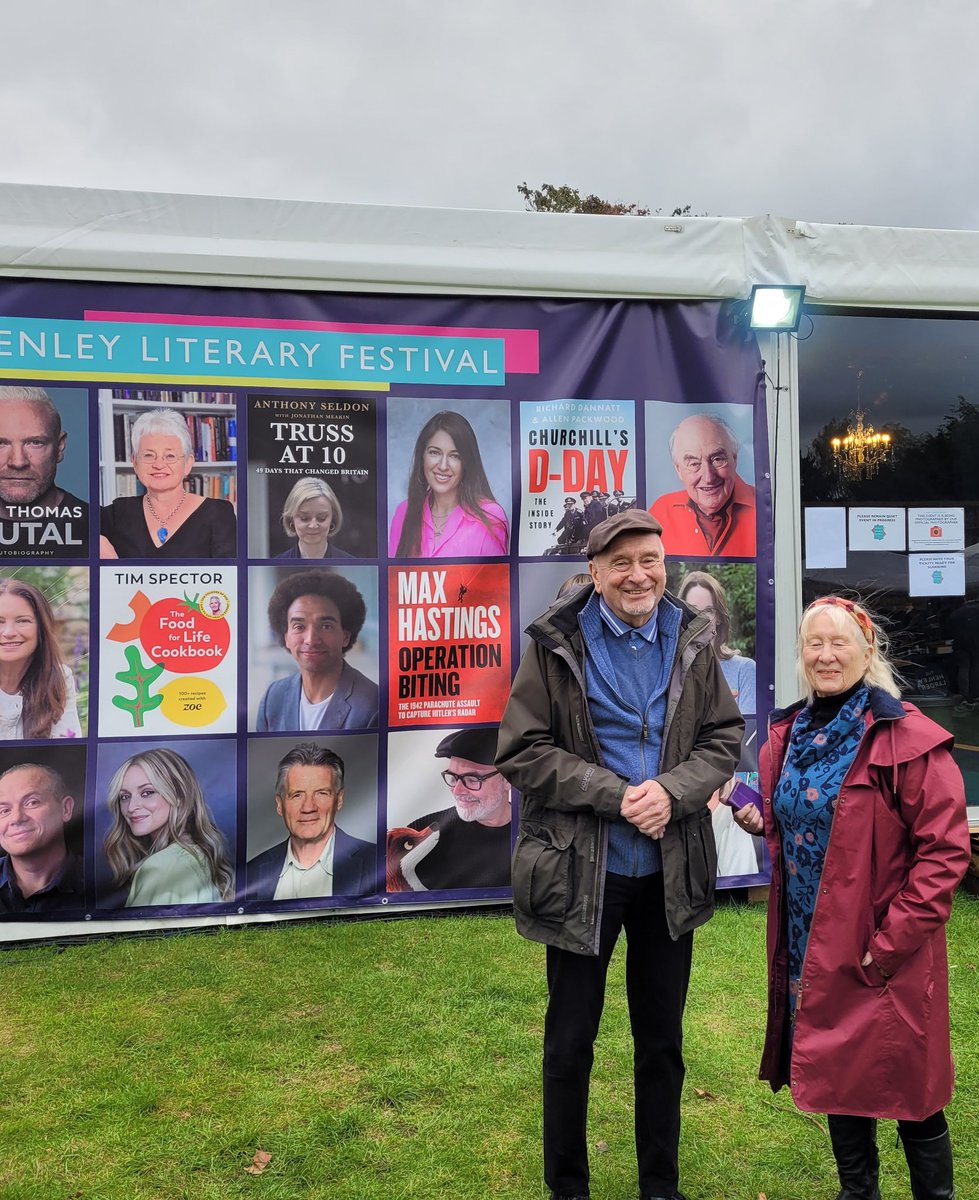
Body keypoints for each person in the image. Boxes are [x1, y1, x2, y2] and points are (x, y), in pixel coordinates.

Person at [497, 508, 744, 1200]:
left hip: (668, 872)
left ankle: (660, 1187)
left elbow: (723, 737)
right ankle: (568, 1188)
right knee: (570, 1042)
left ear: (665, 565)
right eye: (622, 563)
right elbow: (522, 749)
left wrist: (672, 791)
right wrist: (613, 794)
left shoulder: (692, 637)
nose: (639, 576)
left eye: (650, 560)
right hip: (582, 871)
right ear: (596, 572)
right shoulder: (556, 643)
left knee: (662, 1043)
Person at [734, 595, 969, 1200]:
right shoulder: (789, 735)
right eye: (814, 643)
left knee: (911, 1088)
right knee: (837, 1067)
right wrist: (766, 818)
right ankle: (857, 1191)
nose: (826, 655)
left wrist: (888, 945)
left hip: (884, 946)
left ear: (868, 651)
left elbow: (944, 853)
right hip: (813, 939)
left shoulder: (906, 738)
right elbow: (814, 819)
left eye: (840, 642)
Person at [244, 742, 376, 901]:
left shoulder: (376, 862)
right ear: (280, 804)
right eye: (297, 795)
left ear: (339, 799)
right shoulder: (251, 873)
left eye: (321, 793)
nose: (308, 807)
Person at [103, 748, 234, 908]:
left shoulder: (163, 866)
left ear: (179, 796)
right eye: (124, 796)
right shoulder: (194, 855)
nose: (131, 807)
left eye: (147, 793)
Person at [99, 408, 236, 559]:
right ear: (135, 462)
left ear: (188, 463)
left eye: (170, 456)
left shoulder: (218, 514)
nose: (159, 465)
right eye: (149, 455)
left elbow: (231, 573)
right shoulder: (117, 514)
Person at [257, 569, 379, 732]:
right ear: (286, 637)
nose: (311, 639)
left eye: (326, 626)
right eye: (299, 626)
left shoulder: (373, 705)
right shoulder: (273, 697)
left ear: (345, 636)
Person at [396, 727, 512, 891]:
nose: (457, 791)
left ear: (507, 779)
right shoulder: (421, 833)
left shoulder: (536, 831)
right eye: (453, 777)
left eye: (472, 779)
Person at [388, 410, 508, 557]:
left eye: (455, 456)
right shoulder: (403, 512)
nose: (443, 466)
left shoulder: (491, 517)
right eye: (435, 452)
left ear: (466, 462)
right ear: (422, 456)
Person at [649, 414, 755, 557]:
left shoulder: (764, 507)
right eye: (694, 464)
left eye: (717, 459)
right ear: (678, 469)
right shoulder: (661, 512)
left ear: (734, 459)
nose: (708, 477)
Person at [0, 386, 88, 555]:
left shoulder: (98, 525)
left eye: (35, 443)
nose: (18, 462)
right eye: (1, 444)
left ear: (60, 447)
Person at [0, 578, 83, 740]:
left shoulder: (59, 677)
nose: (9, 632)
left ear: (41, 628)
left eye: (22, 621)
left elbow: (66, 744)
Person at [0, 762, 83, 913]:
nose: (16, 818)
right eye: (4, 810)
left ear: (66, 809)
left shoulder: (107, 882)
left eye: (32, 802)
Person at [679, 570, 757, 715]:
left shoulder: (744, 670)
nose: (701, 618)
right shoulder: (670, 672)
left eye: (708, 610)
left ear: (719, 617)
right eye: (692, 609)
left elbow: (748, 728)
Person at [275, 476, 356, 560]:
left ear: (333, 520)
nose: (313, 525)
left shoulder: (352, 563)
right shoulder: (276, 563)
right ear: (291, 520)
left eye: (322, 518)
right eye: (304, 518)